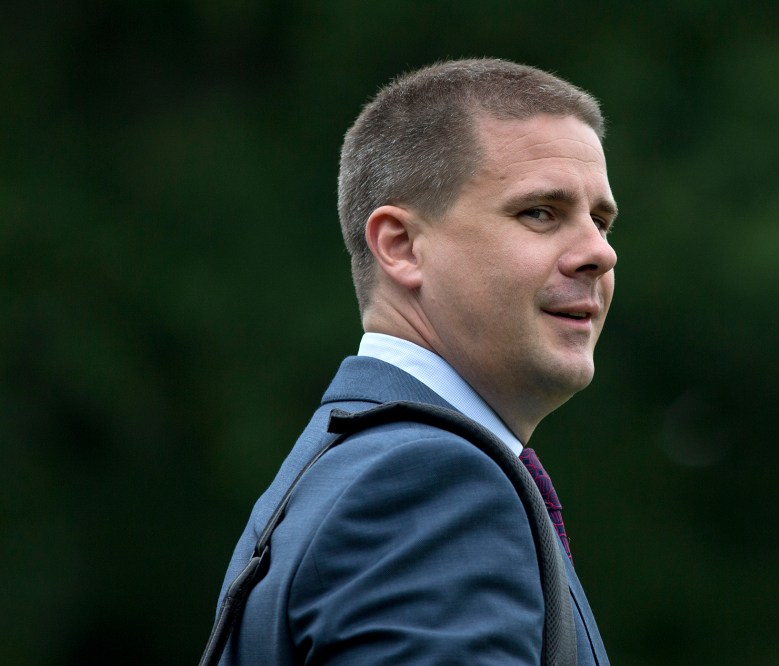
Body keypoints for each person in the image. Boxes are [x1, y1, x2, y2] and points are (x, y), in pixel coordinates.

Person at [210, 58, 617, 664]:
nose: (599, 253)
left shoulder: (351, 466)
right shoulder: (429, 483)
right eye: (540, 212)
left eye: (602, 222)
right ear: (400, 247)